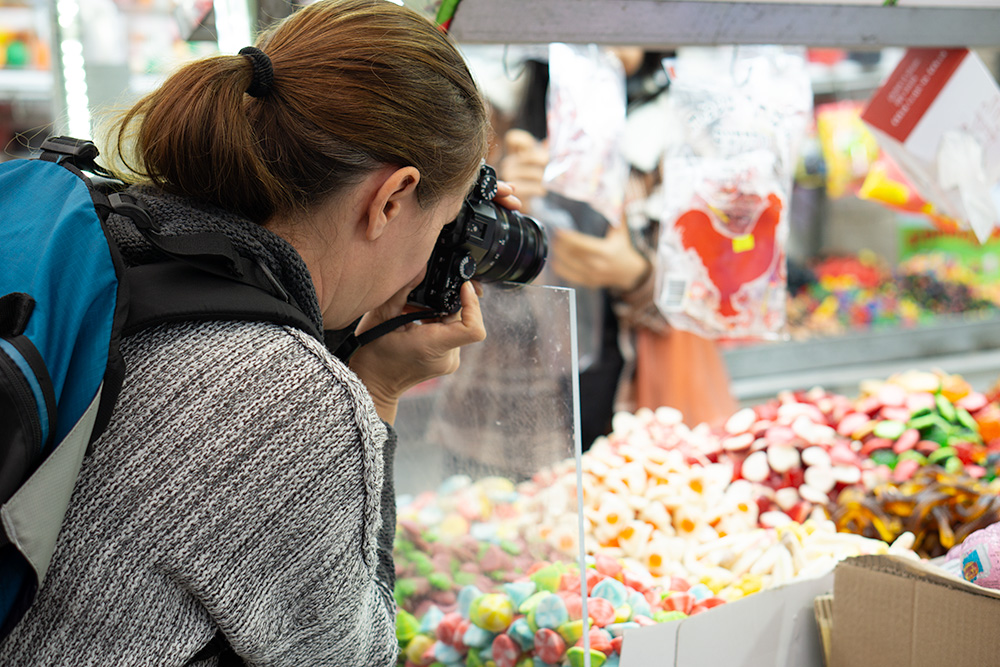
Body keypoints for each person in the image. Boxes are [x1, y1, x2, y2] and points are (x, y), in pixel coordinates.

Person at [0, 1, 512, 664]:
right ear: (392, 198)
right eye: (441, 227)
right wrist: (377, 387)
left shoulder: (130, 238)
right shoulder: (294, 398)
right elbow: (353, 656)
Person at [498, 50, 737, 442]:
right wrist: (501, 203)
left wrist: (636, 274)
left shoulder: (685, 127)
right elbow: (456, 277)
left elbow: (715, 294)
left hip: (641, 395)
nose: (609, 36)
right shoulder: (500, 114)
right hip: (515, 410)